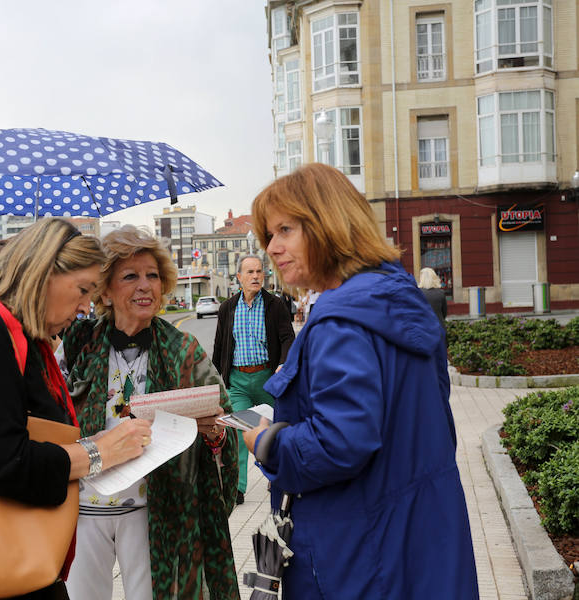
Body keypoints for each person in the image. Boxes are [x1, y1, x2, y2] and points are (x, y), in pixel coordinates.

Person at [243, 163, 479, 598]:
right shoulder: (396, 298)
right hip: (422, 536)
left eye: (285, 230)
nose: (272, 247)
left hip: (357, 550)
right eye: (268, 236)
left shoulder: (341, 319)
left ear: (328, 223)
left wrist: (267, 442)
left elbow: (339, 444)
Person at [0, 218, 151, 600]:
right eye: (83, 290)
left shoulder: (15, 334)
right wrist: (99, 452)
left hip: (2, 558)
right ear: (43, 273)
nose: (87, 306)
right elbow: (7, 463)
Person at [59, 225, 240, 600]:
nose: (145, 286)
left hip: (154, 511)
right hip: (85, 509)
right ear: (104, 290)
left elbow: (225, 421)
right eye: (130, 276)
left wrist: (215, 433)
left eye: (153, 276)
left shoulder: (184, 348)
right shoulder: (78, 342)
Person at [212, 254, 294, 505]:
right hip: (238, 381)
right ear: (238, 277)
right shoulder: (228, 307)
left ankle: (276, 477)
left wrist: (283, 364)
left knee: (271, 431)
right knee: (238, 433)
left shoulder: (275, 305)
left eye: (259, 271)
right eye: (250, 272)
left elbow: (287, 338)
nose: (256, 276)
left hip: (267, 379)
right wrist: (214, 380)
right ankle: (238, 487)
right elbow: (220, 346)